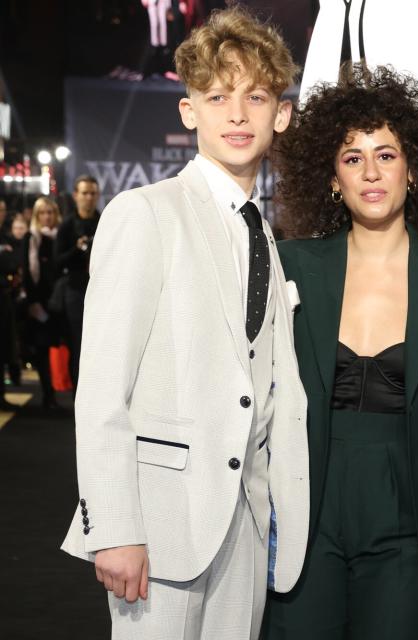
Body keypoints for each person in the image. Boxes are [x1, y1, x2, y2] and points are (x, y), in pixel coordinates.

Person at [60, 8, 310, 639]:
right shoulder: (144, 214)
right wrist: (114, 527)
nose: (236, 114)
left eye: (255, 97)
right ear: (188, 110)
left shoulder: (269, 236)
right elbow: (102, 388)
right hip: (160, 528)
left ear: (281, 115)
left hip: (247, 530)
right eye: (217, 96)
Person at [263, 65, 418, 639]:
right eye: (353, 158)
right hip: (306, 514)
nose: (371, 172)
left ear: (415, 169)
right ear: (332, 177)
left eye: (386, 154)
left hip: (410, 520)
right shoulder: (293, 264)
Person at [54, 175, 101, 388]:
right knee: (79, 345)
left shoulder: (105, 221)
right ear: (76, 195)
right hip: (75, 292)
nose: (88, 198)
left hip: (103, 292)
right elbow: (57, 261)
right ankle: (78, 402)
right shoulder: (66, 226)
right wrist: (77, 249)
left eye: (92, 193)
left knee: (102, 346)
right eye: (84, 193)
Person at [22, 197, 63, 408]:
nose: (47, 216)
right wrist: (33, 302)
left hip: (59, 300)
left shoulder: (60, 237)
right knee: (42, 349)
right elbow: (28, 273)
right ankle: (48, 394)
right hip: (39, 302)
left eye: (50, 212)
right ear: (37, 216)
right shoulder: (32, 238)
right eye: (43, 213)